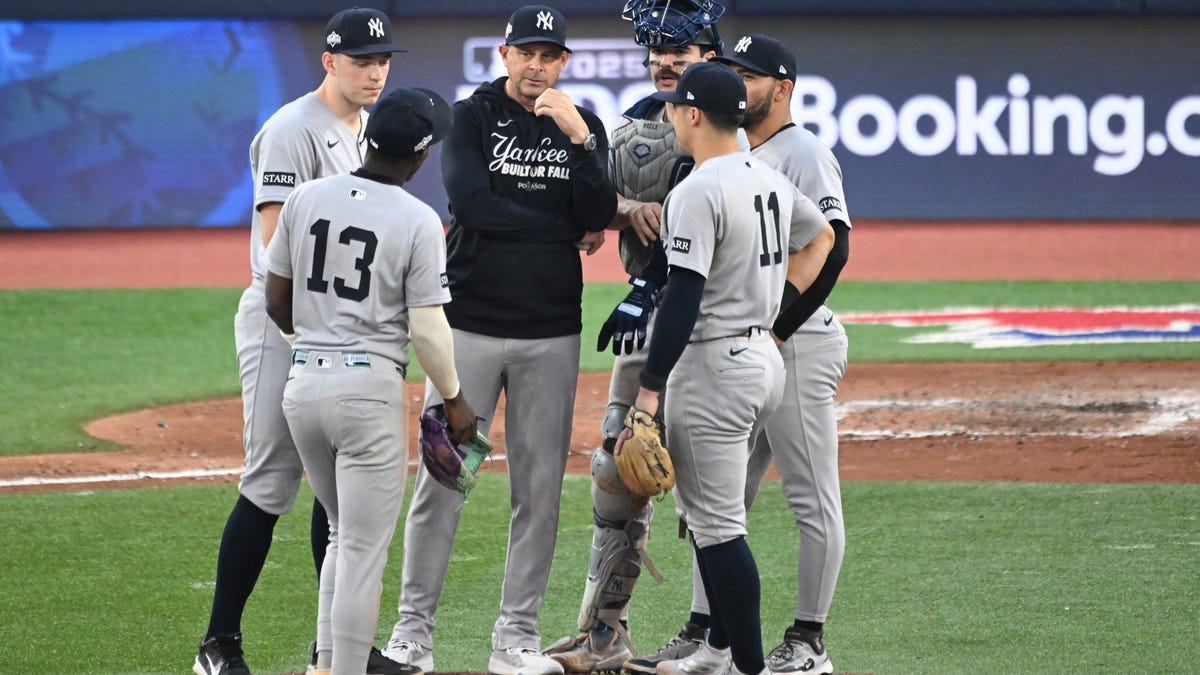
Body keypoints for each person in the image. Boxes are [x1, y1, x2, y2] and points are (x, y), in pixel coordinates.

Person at [379, 6, 616, 675]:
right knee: (442, 480)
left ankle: (515, 641)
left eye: (550, 55)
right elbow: (472, 204)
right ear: (504, 55)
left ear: (563, 62)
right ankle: (412, 637)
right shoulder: (469, 117)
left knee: (538, 490)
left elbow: (598, 213)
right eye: (526, 52)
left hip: (551, 331)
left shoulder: (579, 124)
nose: (537, 65)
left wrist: (581, 141)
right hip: (470, 328)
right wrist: (557, 228)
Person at [193, 8, 408, 675]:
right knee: (270, 480)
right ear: (329, 62)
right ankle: (217, 644)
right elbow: (275, 241)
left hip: (337, 325)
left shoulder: (366, 128)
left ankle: (340, 648)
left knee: (338, 490)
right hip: (282, 322)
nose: (374, 71)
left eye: (382, 60)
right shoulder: (291, 130)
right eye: (361, 60)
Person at [625, 61, 835, 675]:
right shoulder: (762, 175)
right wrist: (776, 318)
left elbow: (684, 296)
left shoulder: (697, 188)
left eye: (673, 109)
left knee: (718, 528)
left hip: (715, 364)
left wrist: (648, 390)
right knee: (713, 517)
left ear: (691, 113)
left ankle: (745, 665)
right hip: (763, 358)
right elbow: (821, 238)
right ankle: (720, 654)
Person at [263, 86, 474, 675]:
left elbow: (276, 298)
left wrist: (312, 344)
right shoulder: (417, 219)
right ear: (422, 156)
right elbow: (429, 329)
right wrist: (455, 399)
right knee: (360, 547)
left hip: (303, 387)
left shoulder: (306, 198)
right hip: (366, 393)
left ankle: (327, 664)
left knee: (339, 535)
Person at [544, 1, 727, 672]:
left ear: (711, 52)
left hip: (719, 324)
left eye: (677, 51)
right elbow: (588, 222)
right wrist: (626, 209)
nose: (663, 62)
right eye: (654, 53)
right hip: (642, 326)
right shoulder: (632, 136)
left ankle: (716, 633)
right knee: (620, 468)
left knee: (712, 486)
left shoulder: (744, 130)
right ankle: (602, 633)